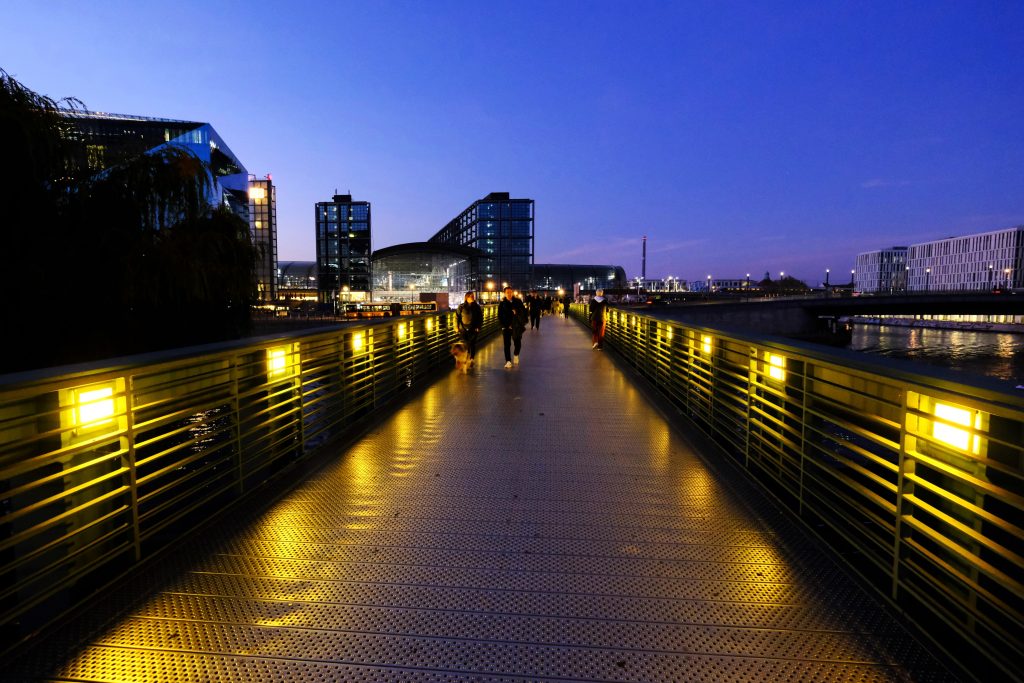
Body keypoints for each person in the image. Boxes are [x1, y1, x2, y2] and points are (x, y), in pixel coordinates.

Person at [497, 286, 527, 367]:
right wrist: (503, 325)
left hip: (516, 326)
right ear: (504, 293)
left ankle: (516, 354)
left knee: (517, 343)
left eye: (510, 292)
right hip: (506, 327)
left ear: (512, 292)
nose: (509, 294)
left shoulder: (518, 301)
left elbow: (524, 312)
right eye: (507, 292)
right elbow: (499, 316)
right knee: (507, 345)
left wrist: (516, 311)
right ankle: (508, 361)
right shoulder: (502, 304)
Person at [455, 291, 483, 361]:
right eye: (470, 296)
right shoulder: (461, 306)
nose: (472, 297)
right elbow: (457, 317)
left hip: (474, 328)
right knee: (465, 344)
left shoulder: (477, 307)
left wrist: (479, 327)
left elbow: (480, 318)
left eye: (473, 296)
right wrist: (456, 326)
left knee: (472, 343)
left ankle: (472, 358)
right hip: (463, 328)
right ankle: (466, 357)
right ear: (466, 297)